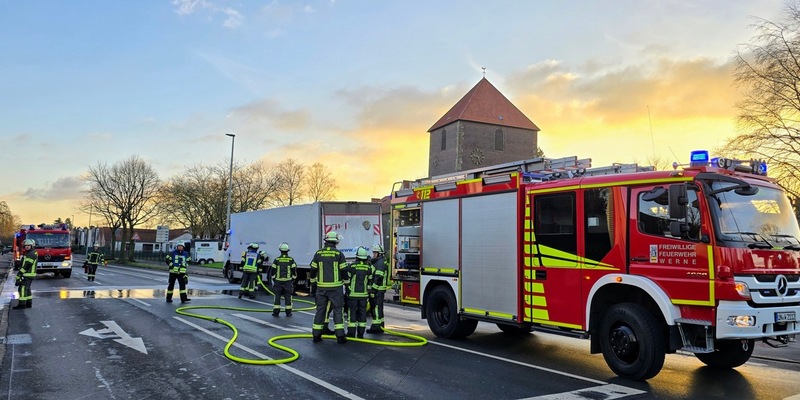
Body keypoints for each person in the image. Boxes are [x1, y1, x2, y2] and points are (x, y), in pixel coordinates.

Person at [309, 231, 349, 344]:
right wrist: (347, 282)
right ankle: (340, 336)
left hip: (321, 287)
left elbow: (313, 269)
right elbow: (344, 270)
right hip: (336, 288)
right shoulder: (338, 254)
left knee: (320, 310)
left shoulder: (318, 253)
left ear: (326, 241)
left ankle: (316, 335)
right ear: (336, 242)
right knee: (338, 310)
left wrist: (313, 283)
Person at [346, 246, 374, 338]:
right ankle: (361, 333)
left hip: (353, 295)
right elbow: (370, 281)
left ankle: (351, 333)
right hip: (363, 296)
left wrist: (347, 290)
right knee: (362, 314)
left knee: (352, 313)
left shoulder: (352, 266)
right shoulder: (368, 268)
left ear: (357, 256)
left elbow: (347, 279)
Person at [367, 244, 390, 334]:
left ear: (379, 254)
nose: (374, 254)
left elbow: (378, 277)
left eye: (375, 253)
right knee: (378, 308)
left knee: (376, 307)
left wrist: (373, 289)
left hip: (378, 289)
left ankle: (377, 327)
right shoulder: (379, 261)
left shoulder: (380, 263)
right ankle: (379, 325)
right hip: (379, 289)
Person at [271, 242, 297, 316]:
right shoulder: (291, 260)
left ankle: (276, 312)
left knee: (277, 296)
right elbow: (294, 270)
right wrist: (293, 279)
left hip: (278, 281)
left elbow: (273, 270)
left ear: (280, 250)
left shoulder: (277, 260)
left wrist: (274, 278)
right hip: (288, 282)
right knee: (288, 297)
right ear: (288, 251)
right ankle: (288, 312)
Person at [13, 239, 37, 309]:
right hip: (28, 274)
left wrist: (20, 273)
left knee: (22, 288)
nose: (27, 247)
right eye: (25, 246)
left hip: (27, 274)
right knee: (27, 288)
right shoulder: (30, 253)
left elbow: (27, 265)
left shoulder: (31, 254)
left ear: (32, 246)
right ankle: (28, 303)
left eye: (28, 245)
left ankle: (22, 304)